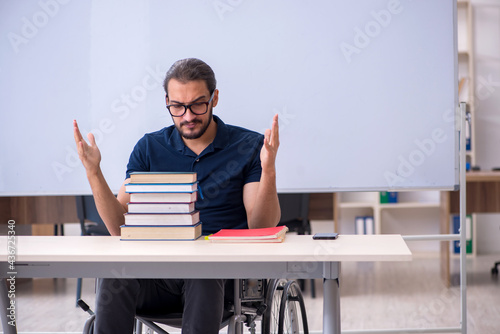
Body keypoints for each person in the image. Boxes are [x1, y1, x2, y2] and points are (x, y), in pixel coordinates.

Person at [73, 58, 280, 334]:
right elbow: (118, 227)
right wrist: (93, 172)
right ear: (167, 102)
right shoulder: (149, 148)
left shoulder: (248, 146)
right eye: (177, 106)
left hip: (222, 280)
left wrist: (268, 170)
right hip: (158, 278)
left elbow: (261, 227)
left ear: (214, 98)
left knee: (204, 270)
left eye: (198, 104)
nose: (188, 115)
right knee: (114, 274)